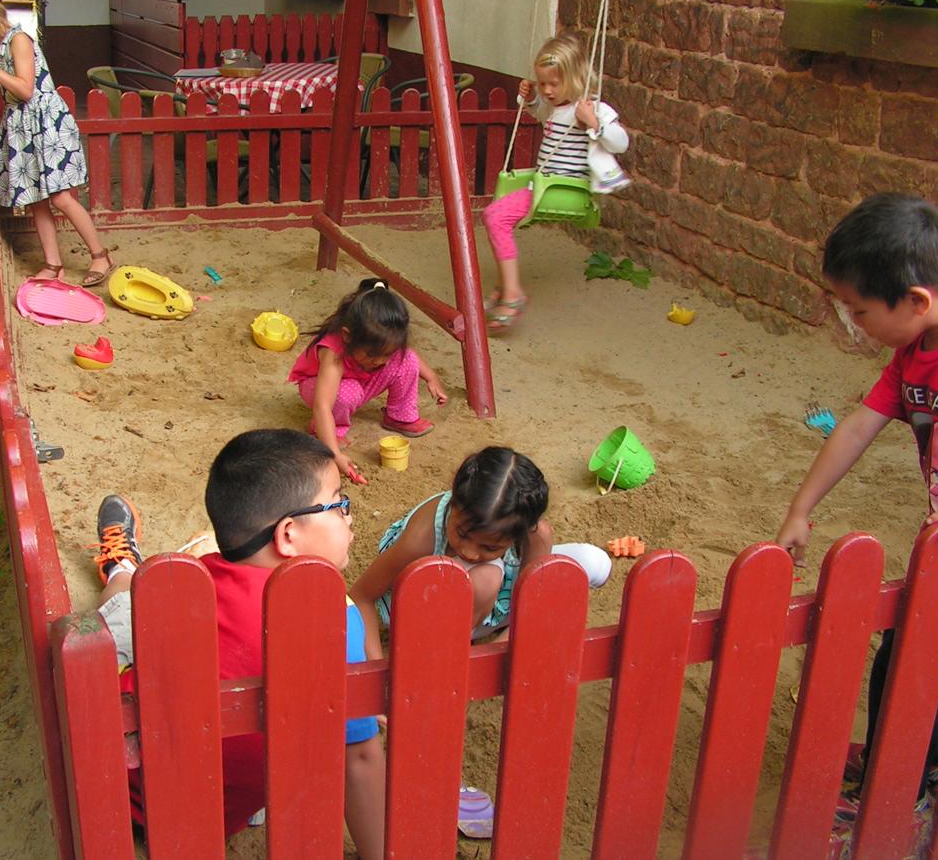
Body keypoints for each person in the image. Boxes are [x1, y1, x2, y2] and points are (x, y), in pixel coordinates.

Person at [90, 429, 384, 856]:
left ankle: (123, 567)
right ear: (288, 535)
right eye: (338, 504)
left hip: (129, 786)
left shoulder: (193, 582)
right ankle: (121, 567)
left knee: (132, 604)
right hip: (218, 813)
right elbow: (359, 761)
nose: (349, 517)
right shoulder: (334, 620)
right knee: (124, 608)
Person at [775, 193, 938, 824]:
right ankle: (916, 762)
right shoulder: (914, 354)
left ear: (914, 301)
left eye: (859, 310)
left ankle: (905, 785)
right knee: (912, 649)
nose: (853, 323)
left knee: (913, 653)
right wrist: (802, 507)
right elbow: (858, 425)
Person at [350, 446, 610, 657]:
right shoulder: (421, 538)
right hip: (423, 609)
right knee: (487, 576)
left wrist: (497, 652)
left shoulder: (534, 534)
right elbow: (361, 595)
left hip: (483, 605)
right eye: (462, 534)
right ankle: (452, 646)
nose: (470, 552)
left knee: (594, 562)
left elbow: (531, 604)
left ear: (519, 534)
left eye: (490, 546)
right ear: (454, 504)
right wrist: (376, 667)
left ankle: (473, 632)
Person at [0, 0, 115, 287]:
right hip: (22, 125)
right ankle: (53, 264)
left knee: (61, 197)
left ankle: (100, 255)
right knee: (36, 200)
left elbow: (25, 89)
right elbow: (9, 89)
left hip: (45, 124)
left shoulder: (18, 40)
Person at [481, 35, 630, 330]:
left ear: (576, 77)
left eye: (554, 83)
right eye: (542, 83)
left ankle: (512, 292)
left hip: (564, 190)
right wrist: (532, 99)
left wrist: (594, 123)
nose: (547, 90)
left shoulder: (591, 108)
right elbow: (540, 113)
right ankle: (505, 286)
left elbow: (621, 142)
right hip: (545, 185)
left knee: (494, 216)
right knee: (498, 216)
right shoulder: (557, 107)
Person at [289, 278, 447, 484]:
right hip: (318, 386)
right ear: (347, 336)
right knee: (348, 393)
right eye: (373, 354)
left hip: (359, 378)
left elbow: (408, 354)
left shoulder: (380, 351)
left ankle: (399, 415)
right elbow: (322, 406)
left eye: (386, 354)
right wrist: (334, 455)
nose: (381, 361)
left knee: (406, 360)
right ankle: (328, 430)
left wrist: (431, 377)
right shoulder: (333, 351)